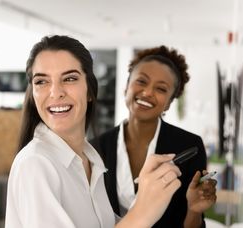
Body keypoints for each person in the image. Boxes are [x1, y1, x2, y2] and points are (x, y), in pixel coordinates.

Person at [4, 35, 183, 228]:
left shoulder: (90, 159)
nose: (55, 92)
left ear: (89, 90)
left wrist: (145, 196)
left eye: (69, 78)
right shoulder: (36, 164)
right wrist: (142, 213)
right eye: (41, 82)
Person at [91, 46, 217, 228]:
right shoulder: (96, 147)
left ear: (168, 103)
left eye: (161, 89)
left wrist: (194, 209)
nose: (148, 92)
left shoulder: (189, 146)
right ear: (126, 88)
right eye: (141, 81)